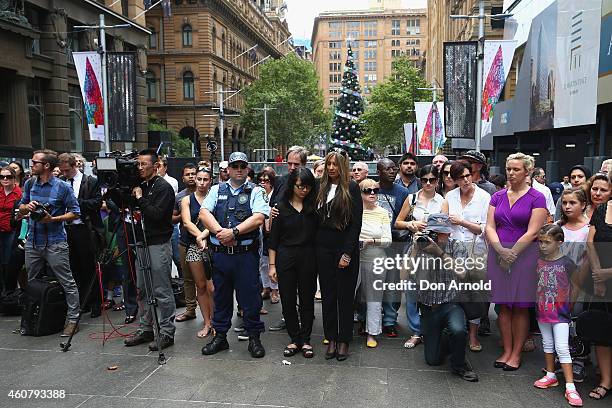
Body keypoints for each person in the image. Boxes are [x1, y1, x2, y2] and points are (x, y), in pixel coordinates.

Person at [199, 152, 270, 358]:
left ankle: (254, 337)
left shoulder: (256, 191)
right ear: (227, 170)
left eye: (242, 166)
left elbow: (258, 218)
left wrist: (234, 232)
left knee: (250, 298)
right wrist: (222, 234)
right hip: (221, 255)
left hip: (245, 256)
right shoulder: (216, 189)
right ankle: (220, 336)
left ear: (247, 169)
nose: (239, 169)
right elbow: (204, 214)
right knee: (220, 297)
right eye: (235, 166)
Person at [485, 152, 547, 371]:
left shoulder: (537, 197)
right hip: (498, 253)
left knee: (521, 307)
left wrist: (511, 254)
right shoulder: (498, 196)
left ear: (527, 171)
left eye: (516, 169)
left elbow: (533, 232)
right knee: (502, 306)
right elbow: (490, 226)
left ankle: (516, 353)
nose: (510, 173)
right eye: (508, 169)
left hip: (524, 257)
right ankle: (507, 349)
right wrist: (501, 251)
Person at [19, 149, 81, 336]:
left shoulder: (63, 187)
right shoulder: (30, 183)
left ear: (46, 166)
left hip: (55, 241)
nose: (31, 166)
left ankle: (73, 319)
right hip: (33, 240)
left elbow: (75, 212)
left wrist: (53, 219)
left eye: (35, 163)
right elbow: (21, 208)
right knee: (32, 281)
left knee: (67, 281)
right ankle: (32, 317)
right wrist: (26, 207)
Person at [413, 213, 479, 382]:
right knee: (433, 361)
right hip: (428, 306)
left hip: (451, 302)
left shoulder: (457, 246)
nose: (438, 237)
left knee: (458, 330)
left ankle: (459, 365)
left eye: (442, 232)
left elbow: (463, 273)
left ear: (449, 232)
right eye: (434, 232)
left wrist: (440, 253)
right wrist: (414, 251)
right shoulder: (419, 245)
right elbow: (404, 276)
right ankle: (445, 338)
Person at [123, 149, 177, 351]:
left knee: (161, 289)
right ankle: (146, 328)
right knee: (142, 288)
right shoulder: (139, 185)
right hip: (141, 242)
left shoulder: (163, 188)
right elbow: (119, 204)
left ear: (155, 166)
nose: (139, 168)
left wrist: (139, 198)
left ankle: (166, 332)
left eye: (143, 164)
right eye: (138, 164)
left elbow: (156, 215)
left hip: (158, 243)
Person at [316, 150, 362, 361]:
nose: (331, 168)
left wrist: (347, 253)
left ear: (342, 166)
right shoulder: (320, 187)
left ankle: (344, 339)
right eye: (328, 164)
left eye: (335, 164)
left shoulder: (351, 187)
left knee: (344, 297)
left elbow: (356, 225)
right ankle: (331, 338)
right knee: (328, 295)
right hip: (322, 249)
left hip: (344, 249)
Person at [268, 168, 318, 358]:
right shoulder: (280, 207)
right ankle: (294, 338)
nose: (304, 190)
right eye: (300, 186)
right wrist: (272, 266)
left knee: (307, 299)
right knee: (288, 300)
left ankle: (305, 339)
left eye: (307, 187)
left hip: (309, 257)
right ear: (292, 185)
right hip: (285, 256)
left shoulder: (314, 207)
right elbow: (273, 239)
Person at [441, 161, 490, 352]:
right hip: (453, 252)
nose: (466, 180)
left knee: (474, 294)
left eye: (468, 175)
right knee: (454, 291)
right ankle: (455, 329)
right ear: (454, 180)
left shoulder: (484, 197)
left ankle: (473, 334)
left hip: (476, 251)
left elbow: (485, 229)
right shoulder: (450, 196)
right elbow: (443, 225)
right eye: (461, 177)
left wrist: (462, 221)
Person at [395, 164, 444, 349]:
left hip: (432, 249)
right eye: (424, 180)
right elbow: (398, 222)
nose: (428, 183)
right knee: (410, 289)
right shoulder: (412, 198)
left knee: (430, 291)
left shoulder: (442, 201)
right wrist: (412, 224)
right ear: (420, 180)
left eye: (432, 180)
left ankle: (429, 329)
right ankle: (416, 331)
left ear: (437, 181)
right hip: (413, 246)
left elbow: (446, 228)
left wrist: (434, 228)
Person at [534, 224, 583, 407]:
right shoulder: (538, 261)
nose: (543, 246)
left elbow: (577, 285)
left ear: (559, 242)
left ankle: (570, 387)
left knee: (562, 347)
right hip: (542, 309)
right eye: (540, 242)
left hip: (561, 312)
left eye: (547, 242)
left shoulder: (567, 262)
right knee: (547, 343)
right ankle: (550, 374)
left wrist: (569, 306)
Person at [57, 153, 103, 318]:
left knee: (89, 267)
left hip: (85, 228)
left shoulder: (90, 181)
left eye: (67, 170)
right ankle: (83, 301)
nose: (65, 173)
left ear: (75, 166)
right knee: (74, 268)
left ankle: (96, 302)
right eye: (62, 171)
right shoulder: (61, 183)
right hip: (67, 230)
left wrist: (75, 204)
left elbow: (97, 203)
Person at [584, 184, 612, 400]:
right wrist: (598, 274)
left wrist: (607, 273)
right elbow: (590, 242)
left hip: (607, 275)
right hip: (600, 280)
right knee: (602, 331)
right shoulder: (603, 209)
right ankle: (605, 380)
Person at [375, 158, 409, 337]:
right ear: (379, 172)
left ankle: (389, 320)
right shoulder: (371, 188)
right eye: (387, 169)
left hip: (394, 245)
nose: (392, 171)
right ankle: (369, 318)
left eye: (393, 168)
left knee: (393, 284)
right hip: (373, 244)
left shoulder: (403, 192)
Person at [357, 178, 392, 348]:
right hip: (353, 259)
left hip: (376, 259)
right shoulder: (353, 211)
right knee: (347, 295)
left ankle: (372, 332)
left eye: (375, 190)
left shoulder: (383, 212)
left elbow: (387, 240)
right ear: (360, 193)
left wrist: (370, 240)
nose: (372, 193)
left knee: (374, 298)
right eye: (367, 190)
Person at [182, 167, 215, 338]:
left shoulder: (215, 197)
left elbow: (217, 221)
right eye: (199, 179)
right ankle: (207, 322)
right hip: (195, 245)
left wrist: (203, 236)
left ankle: (217, 322)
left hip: (214, 244)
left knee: (213, 287)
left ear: (211, 181)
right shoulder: (187, 200)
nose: (202, 183)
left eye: (205, 179)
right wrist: (199, 238)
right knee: (200, 286)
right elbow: (187, 223)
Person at [174, 164, 198, 322]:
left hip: (205, 241)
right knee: (188, 278)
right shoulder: (179, 197)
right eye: (187, 174)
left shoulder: (207, 194)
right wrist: (184, 215)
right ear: (182, 178)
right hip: (185, 240)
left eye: (193, 173)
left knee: (210, 280)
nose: (191, 176)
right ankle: (190, 309)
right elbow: (172, 218)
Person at [257, 168, 279, 304]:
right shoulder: (257, 194)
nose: (263, 183)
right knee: (263, 263)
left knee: (273, 263)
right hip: (260, 233)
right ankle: (266, 287)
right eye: (260, 180)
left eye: (266, 180)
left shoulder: (276, 196)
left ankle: (275, 290)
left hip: (273, 232)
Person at [0, 166, 22, 293]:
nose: (5, 179)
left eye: (8, 176)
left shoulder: (19, 193)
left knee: (9, 261)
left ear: (14, 178)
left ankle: (9, 291)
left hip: (11, 231)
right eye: (2, 176)